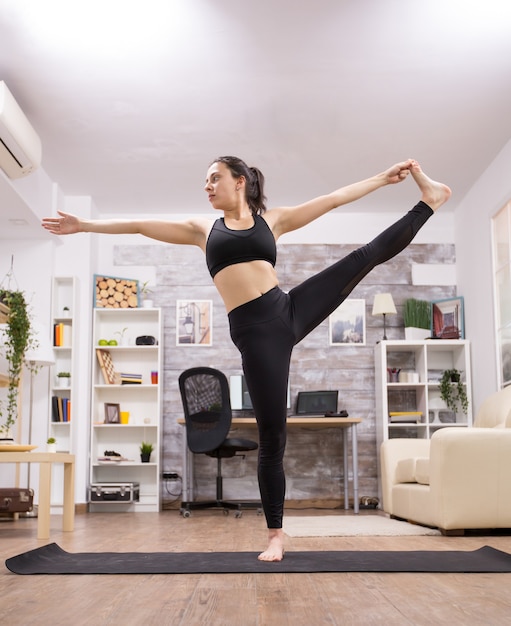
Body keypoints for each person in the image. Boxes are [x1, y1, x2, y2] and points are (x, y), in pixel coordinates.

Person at [42, 157, 451, 561]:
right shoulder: (203, 229)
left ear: (239, 181)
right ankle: (277, 534)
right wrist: (85, 226)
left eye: (214, 177)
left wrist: (381, 177)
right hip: (257, 337)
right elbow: (138, 225)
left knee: (364, 257)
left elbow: (333, 199)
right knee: (272, 436)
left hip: (287, 310)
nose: (206, 185)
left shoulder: (272, 221)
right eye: (204, 180)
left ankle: (429, 202)